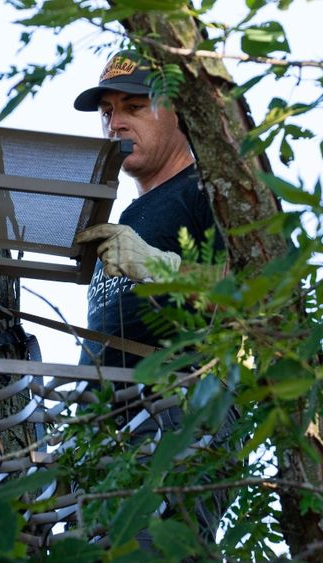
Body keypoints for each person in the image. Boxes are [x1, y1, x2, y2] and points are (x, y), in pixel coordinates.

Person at [73, 50, 223, 369]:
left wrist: (159, 267)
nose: (115, 124)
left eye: (134, 107)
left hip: (174, 410)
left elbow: (258, 297)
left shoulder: (207, 190)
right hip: (104, 414)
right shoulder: (125, 218)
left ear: (180, 113)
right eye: (106, 112)